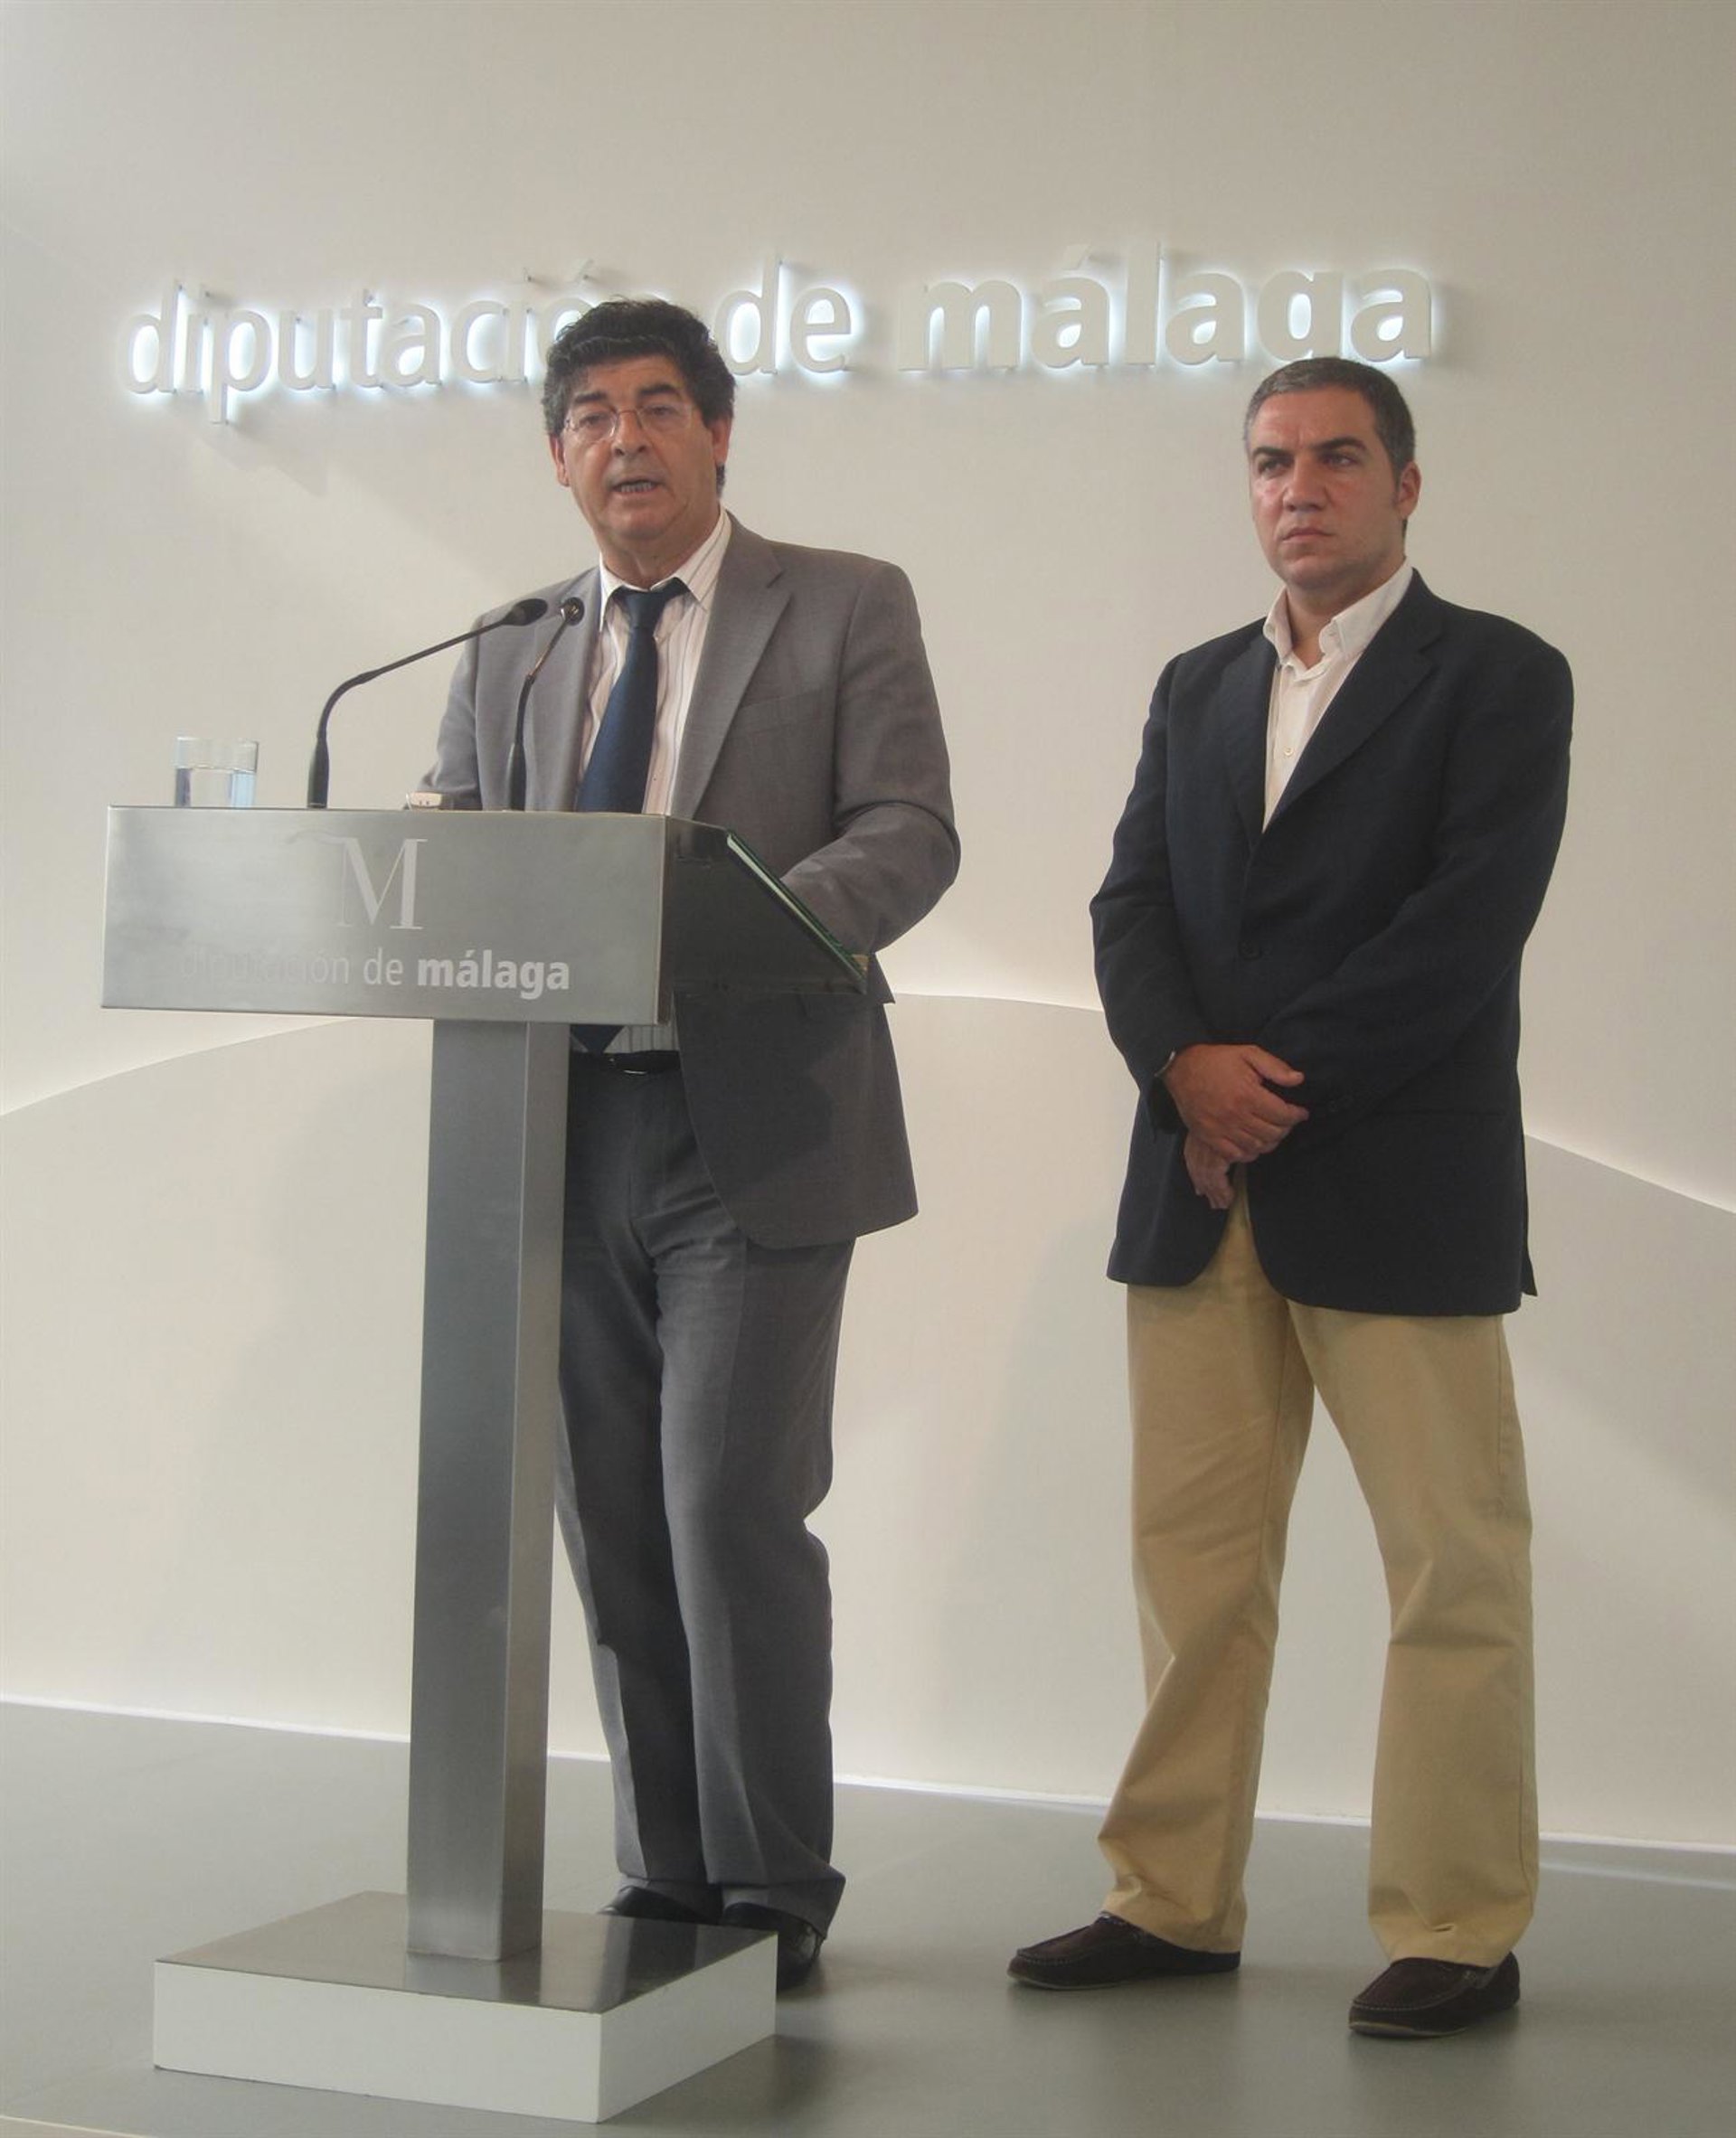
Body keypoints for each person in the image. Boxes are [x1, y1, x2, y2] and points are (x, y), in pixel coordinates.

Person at [1009, 358, 1571, 2039]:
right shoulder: (1198, 683)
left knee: (1451, 1568)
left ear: (1408, 483)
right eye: (1271, 461)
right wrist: (1182, 1065)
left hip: (1394, 1182)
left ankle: (1457, 1921)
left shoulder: (1500, 674)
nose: (1299, 488)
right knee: (1192, 1570)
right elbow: (1129, 904)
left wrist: (1263, 1092)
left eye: (1336, 457)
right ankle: (1171, 1899)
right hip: (1196, 1186)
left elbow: (1467, 924)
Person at [423, 297, 958, 1990]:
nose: (626, 440)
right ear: (557, 455)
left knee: (727, 1500)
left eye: (659, 407)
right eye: (591, 414)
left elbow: (910, 827)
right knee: (611, 1513)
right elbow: (456, 840)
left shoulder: (844, 600)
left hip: (756, 1120)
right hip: (559, 1125)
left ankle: (772, 1878)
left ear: (720, 434)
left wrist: (757, 922)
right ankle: (666, 1866)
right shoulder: (512, 642)